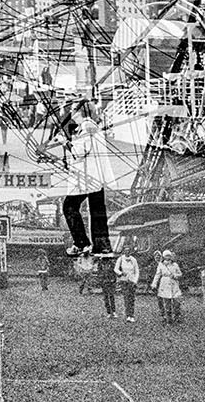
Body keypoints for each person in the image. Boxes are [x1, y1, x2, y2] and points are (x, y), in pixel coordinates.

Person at [46, 97, 112, 257]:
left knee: (69, 207)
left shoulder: (86, 127)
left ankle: (81, 243)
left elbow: (78, 152)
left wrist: (64, 142)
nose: (71, 113)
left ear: (79, 112)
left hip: (86, 178)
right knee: (97, 210)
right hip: (96, 176)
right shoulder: (92, 126)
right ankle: (102, 246)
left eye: (73, 110)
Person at [151, 250, 184, 324]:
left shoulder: (175, 265)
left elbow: (180, 274)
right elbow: (157, 275)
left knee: (177, 302)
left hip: (174, 283)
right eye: (166, 256)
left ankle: (177, 317)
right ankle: (168, 319)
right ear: (163, 257)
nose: (167, 257)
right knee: (167, 303)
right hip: (164, 283)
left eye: (169, 256)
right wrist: (154, 284)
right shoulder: (161, 265)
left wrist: (175, 276)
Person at [116, 245, 140, 322]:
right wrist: (120, 273)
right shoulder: (120, 259)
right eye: (125, 250)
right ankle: (128, 315)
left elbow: (137, 271)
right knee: (126, 298)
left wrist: (135, 281)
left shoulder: (133, 260)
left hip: (132, 281)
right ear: (123, 251)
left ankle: (132, 315)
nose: (127, 252)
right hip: (124, 280)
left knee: (131, 298)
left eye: (128, 250)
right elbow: (115, 269)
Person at [95, 250, 118, 318]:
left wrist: (113, 280)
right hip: (104, 281)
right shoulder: (100, 263)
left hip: (110, 281)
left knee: (111, 296)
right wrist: (101, 280)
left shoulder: (112, 263)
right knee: (106, 297)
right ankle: (108, 311)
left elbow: (114, 272)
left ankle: (113, 311)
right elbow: (99, 273)